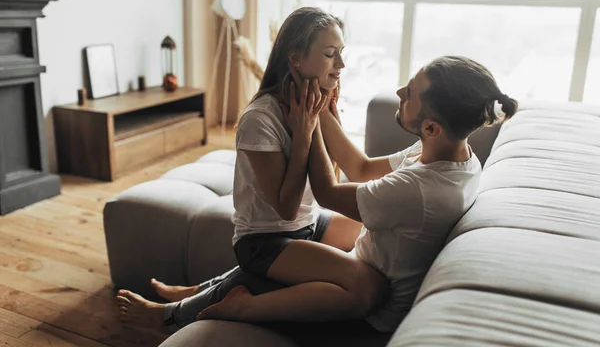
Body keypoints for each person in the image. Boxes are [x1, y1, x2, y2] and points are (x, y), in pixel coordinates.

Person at [117, 54, 518, 332]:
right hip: (377, 251)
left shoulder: (419, 190)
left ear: (431, 126)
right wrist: (326, 110)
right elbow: (360, 167)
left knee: (284, 241)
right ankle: (200, 290)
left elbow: (327, 190)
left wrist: (307, 127)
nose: (399, 92)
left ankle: (197, 312)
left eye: (409, 94)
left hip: (371, 302)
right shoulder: (452, 155)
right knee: (297, 232)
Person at [116, 7, 389, 332]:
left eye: (341, 53)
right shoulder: (260, 118)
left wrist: (328, 120)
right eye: (330, 54)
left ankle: (197, 290)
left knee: (379, 235)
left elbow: (329, 184)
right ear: (296, 59)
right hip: (265, 241)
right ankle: (168, 314)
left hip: (311, 223)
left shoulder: (316, 99)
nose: (341, 65)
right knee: (367, 284)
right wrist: (302, 136)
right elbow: (286, 210)